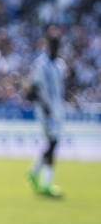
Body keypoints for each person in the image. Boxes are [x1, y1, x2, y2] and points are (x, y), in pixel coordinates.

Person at [27, 26, 67, 198]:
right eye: (53, 43)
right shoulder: (40, 64)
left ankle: (35, 171)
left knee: (53, 144)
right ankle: (46, 182)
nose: (55, 47)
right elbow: (33, 90)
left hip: (57, 110)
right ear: (48, 44)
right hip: (46, 111)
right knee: (53, 143)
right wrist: (45, 107)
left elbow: (61, 89)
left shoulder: (60, 65)